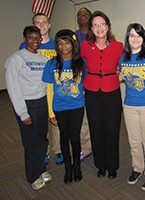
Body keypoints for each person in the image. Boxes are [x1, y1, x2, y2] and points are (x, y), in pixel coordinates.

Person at [5, 25, 51, 190]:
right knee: (31, 143)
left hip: (42, 103)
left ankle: (41, 169)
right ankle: (33, 176)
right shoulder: (16, 59)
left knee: (42, 140)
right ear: (25, 39)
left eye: (37, 38)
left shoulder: (43, 59)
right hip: (26, 105)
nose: (34, 41)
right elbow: (13, 87)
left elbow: (47, 84)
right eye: (30, 37)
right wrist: (22, 112)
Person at [81, 11, 123, 179]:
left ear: (108, 26)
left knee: (112, 130)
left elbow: (127, 63)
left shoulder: (118, 46)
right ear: (91, 28)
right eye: (95, 25)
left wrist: (121, 73)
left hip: (112, 91)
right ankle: (101, 164)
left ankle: (112, 166)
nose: (99, 28)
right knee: (96, 129)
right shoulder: (85, 46)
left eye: (102, 24)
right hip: (91, 92)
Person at [42, 29, 87, 184]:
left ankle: (77, 166)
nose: (63, 46)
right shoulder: (52, 63)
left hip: (77, 105)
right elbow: (48, 88)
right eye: (60, 43)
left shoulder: (81, 63)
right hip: (59, 107)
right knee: (64, 137)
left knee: (75, 137)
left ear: (73, 44)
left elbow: (85, 84)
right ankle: (67, 168)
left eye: (67, 42)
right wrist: (50, 112)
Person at [19, 13, 63, 166]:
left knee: (56, 121)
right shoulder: (26, 46)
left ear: (49, 25)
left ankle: (58, 150)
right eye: (37, 23)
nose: (41, 25)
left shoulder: (56, 44)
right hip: (35, 92)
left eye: (44, 22)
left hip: (53, 90)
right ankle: (43, 151)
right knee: (39, 126)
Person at [119, 23, 145, 191]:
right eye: (132, 35)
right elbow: (121, 76)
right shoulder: (124, 57)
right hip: (129, 105)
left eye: (138, 35)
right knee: (134, 141)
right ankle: (137, 168)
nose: (135, 38)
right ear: (127, 38)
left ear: (143, 38)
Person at [74, 7, 93, 162]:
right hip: (78, 83)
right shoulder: (73, 37)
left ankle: (96, 144)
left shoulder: (96, 35)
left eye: (86, 14)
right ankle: (86, 147)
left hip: (94, 83)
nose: (83, 16)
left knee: (96, 117)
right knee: (83, 118)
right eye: (80, 14)